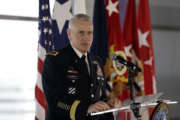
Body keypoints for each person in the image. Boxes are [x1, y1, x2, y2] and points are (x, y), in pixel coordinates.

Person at [42, 14, 121, 120]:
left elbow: (97, 96)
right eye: (81, 33)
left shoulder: (96, 61)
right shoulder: (55, 60)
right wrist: (85, 108)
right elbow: (54, 101)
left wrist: (108, 103)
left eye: (89, 33)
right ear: (69, 34)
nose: (86, 38)